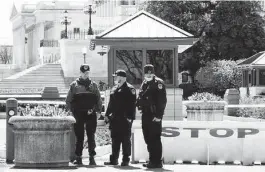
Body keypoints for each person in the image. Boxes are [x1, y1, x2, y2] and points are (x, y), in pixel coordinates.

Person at [65, 64, 102, 165]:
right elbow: (69, 100)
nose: (86, 74)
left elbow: (98, 99)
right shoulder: (74, 85)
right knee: (79, 136)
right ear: (80, 73)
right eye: (84, 73)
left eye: (87, 73)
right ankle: (78, 157)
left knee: (91, 136)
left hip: (91, 113)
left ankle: (91, 157)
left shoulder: (93, 85)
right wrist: (69, 111)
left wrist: (98, 111)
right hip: (78, 114)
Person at [136, 64, 167, 169]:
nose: (149, 74)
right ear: (144, 73)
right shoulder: (144, 83)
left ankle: (157, 161)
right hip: (145, 114)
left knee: (155, 138)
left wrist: (159, 115)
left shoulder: (158, 83)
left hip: (154, 115)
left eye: (150, 72)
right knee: (148, 138)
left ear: (153, 72)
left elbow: (162, 101)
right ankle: (152, 160)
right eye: (147, 72)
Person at [104, 69, 136, 166]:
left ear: (122, 78)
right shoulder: (114, 88)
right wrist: (107, 114)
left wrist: (130, 117)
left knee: (126, 140)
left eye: (116, 76)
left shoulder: (130, 89)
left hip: (125, 119)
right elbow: (110, 104)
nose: (115, 78)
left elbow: (132, 104)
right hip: (115, 119)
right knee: (115, 139)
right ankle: (114, 159)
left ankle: (125, 160)